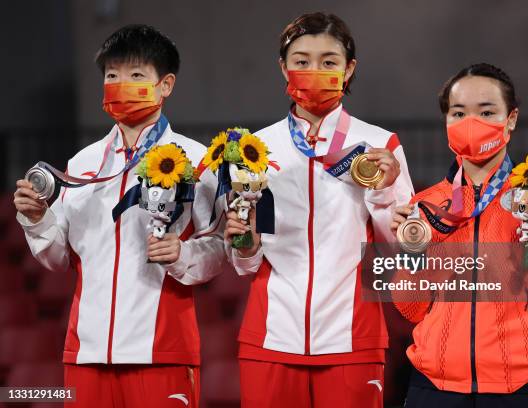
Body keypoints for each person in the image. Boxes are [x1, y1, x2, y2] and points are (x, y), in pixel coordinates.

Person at [13, 24, 226, 408]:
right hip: (86, 352)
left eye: (136, 75)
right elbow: (58, 256)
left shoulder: (197, 161)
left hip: (161, 351)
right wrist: (37, 218)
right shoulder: (83, 163)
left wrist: (182, 255)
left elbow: (217, 246)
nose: (120, 84)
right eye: (112, 75)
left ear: (166, 85)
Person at [224, 12, 414, 408]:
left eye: (329, 62)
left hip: (353, 335)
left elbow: (401, 253)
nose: (314, 71)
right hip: (271, 335)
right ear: (284, 68)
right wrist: (244, 244)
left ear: (349, 70)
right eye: (301, 61)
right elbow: (245, 264)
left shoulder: (379, 146)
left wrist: (381, 193)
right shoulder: (256, 150)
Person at [391, 63, 528, 408]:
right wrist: (413, 253)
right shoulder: (425, 205)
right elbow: (410, 309)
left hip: (519, 388)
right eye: (459, 112)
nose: (472, 122)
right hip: (432, 388)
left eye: (487, 111)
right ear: (446, 122)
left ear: (510, 118)